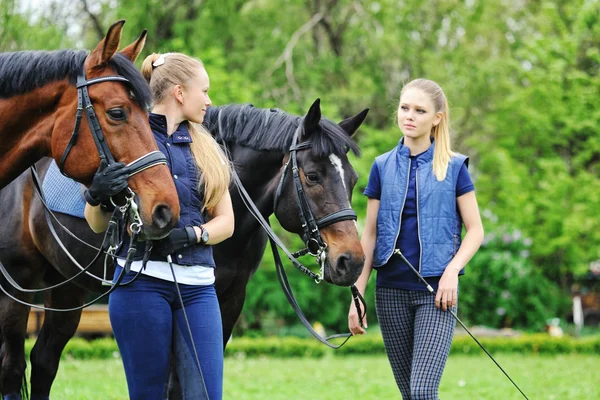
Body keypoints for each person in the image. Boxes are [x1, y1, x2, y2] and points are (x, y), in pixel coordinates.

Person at [84, 52, 234, 400]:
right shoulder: (126, 137)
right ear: (180, 93)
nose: (210, 101)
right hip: (140, 286)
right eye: (205, 91)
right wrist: (96, 196)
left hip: (199, 289)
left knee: (206, 395)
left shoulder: (206, 147)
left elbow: (226, 222)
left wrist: (192, 234)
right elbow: (95, 225)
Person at [348, 78, 484, 399]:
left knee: (422, 391)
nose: (410, 115)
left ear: (437, 118)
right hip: (390, 293)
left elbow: (476, 230)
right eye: (405, 108)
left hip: (436, 294)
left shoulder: (454, 167)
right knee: (410, 394)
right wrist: (357, 294)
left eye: (420, 110)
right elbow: (369, 234)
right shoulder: (381, 166)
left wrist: (452, 271)